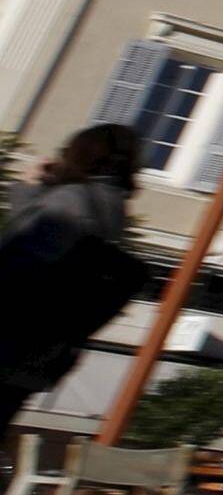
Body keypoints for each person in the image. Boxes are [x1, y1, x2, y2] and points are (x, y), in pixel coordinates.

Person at [0, 126, 152, 425]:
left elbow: (21, 262)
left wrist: (30, 190)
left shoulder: (71, 199)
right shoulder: (113, 207)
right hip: (35, 357)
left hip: (8, 343)